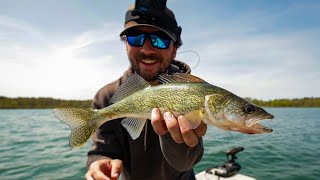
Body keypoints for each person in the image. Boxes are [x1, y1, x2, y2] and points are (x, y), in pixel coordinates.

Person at [85, 2, 207, 180]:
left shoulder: (192, 92)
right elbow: (103, 150)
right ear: (126, 44)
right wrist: (99, 161)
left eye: (160, 40)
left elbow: (186, 162)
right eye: (135, 38)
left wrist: (175, 139)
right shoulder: (106, 97)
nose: (147, 49)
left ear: (174, 50)